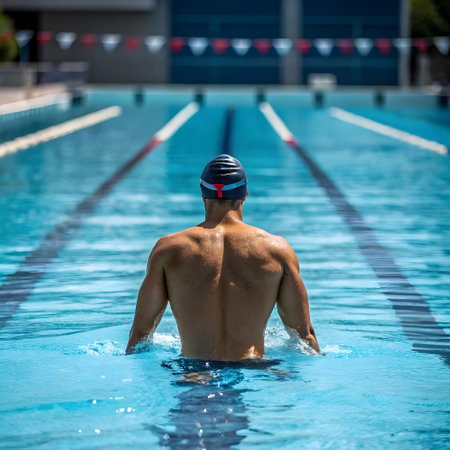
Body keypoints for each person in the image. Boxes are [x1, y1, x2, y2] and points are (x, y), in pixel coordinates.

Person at [126, 154, 319, 359]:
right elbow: (303, 334)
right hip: (253, 372)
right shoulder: (277, 250)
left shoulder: (169, 249)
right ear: (244, 194)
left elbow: (141, 334)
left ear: (203, 194)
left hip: (193, 372)